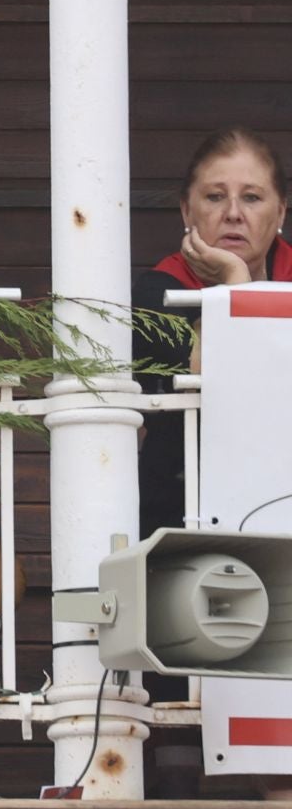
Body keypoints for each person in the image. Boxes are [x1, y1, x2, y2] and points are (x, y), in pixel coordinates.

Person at [134, 128, 290, 537]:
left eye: (252, 198)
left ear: (280, 214)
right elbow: (223, 384)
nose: (234, 213)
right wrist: (234, 280)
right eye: (216, 196)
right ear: (187, 211)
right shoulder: (156, 293)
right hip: (186, 517)